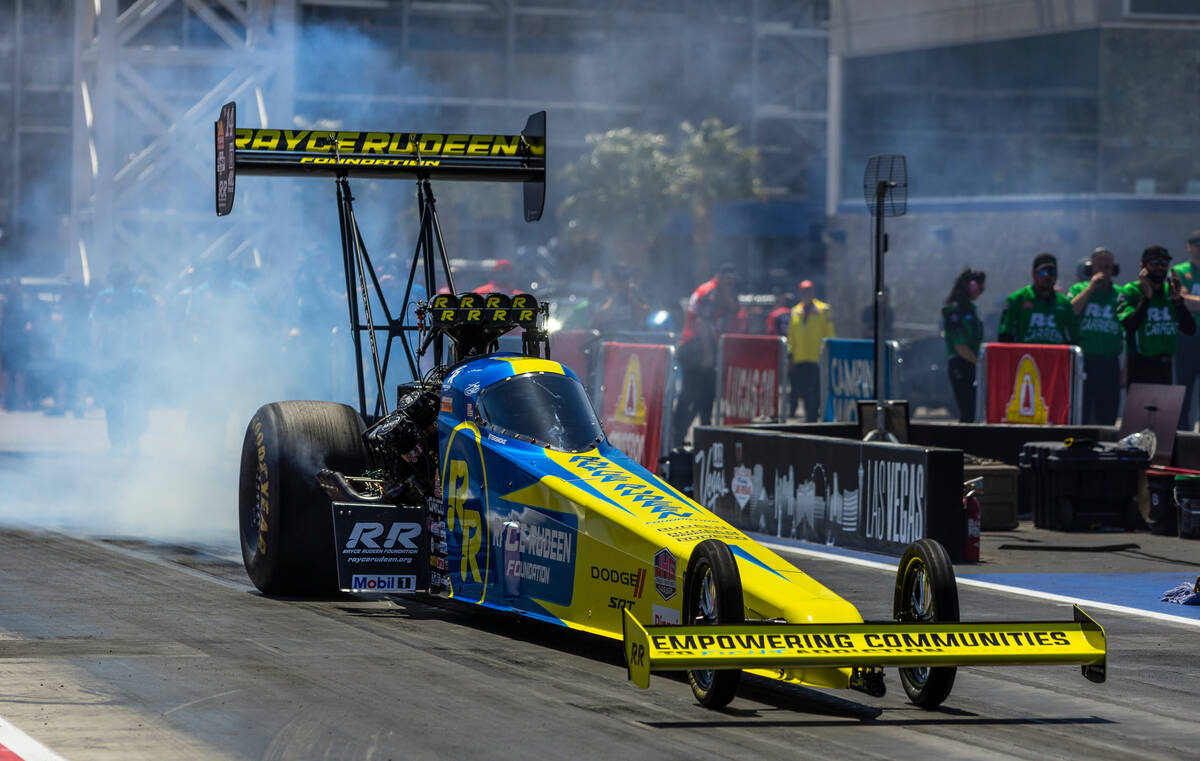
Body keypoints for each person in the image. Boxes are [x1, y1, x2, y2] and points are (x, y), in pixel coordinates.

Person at [89, 263, 160, 454]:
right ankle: (117, 441)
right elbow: (95, 323)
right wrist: (96, 350)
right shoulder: (104, 298)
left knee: (137, 399)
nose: (121, 283)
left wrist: (150, 346)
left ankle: (134, 438)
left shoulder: (140, 297)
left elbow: (155, 319)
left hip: (135, 356)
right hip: (110, 356)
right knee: (112, 402)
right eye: (117, 280)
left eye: (124, 279)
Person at [672, 262, 746, 444]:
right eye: (728, 280)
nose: (731, 285)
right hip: (696, 350)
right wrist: (708, 354)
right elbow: (702, 323)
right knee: (694, 396)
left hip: (696, 349)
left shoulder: (715, 291)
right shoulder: (712, 293)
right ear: (720, 277)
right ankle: (679, 437)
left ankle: (692, 436)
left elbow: (735, 313)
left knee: (702, 397)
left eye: (732, 281)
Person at [1117, 244, 1196, 386]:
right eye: (1154, 263)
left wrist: (1178, 301)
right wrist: (1146, 297)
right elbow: (1130, 325)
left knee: (1165, 408)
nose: (1160, 268)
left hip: (1165, 366)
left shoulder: (1170, 291)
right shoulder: (1131, 291)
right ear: (1143, 266)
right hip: (1139, 365)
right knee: (1139, 409)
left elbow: (1190, 329)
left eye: (1164, 263)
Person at [1067, 248, 1123, 425]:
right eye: (1100, 267)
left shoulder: (1121, 294)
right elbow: (1069, 313)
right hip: (1084, 363)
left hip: (1109, 363)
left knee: (1107, 415)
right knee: (1081, 413)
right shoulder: (1078, 289)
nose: (1104, 271)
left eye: (1108, 267)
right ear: (1091, 269)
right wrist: (1090, 288)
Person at [997, 253, 1078, 345]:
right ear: (1033, 273)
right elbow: (1004, 336)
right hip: (1025, 358)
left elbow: (1074, 338)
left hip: (1055, 358)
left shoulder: (1065, 304)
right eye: (1043, 272)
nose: (1048, 276)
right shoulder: (1017, 300)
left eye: (1052, 272)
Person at [786, 279, 835, 421]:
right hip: (800, 358)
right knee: (803, 391)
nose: (806, 294)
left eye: (808, 291)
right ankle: (810, 416)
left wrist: (828, 353)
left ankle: (814, 415)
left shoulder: (824, 310)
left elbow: (830, 333)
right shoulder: (795, 311)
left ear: (813, 292)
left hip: (817, 358)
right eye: (803, 291)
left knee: (816, 390)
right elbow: (791, 336)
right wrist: (790, 356)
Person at [942, 269, 986, 423]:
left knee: (975, 410)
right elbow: (960, 346)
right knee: (967, 410)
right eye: (980, 288)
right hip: (960, 364)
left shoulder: (972, 310)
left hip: (972, 363)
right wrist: (979, 363)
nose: (981, 292)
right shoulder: (953, 310)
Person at [1172, 230, 1200, 429]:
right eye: (1197, 244)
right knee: (1184, 391)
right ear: (1189, 247)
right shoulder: (1179, 271)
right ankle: (1182, 434)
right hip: (1187, 339)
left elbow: (1191, 301)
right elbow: (1182, 300)